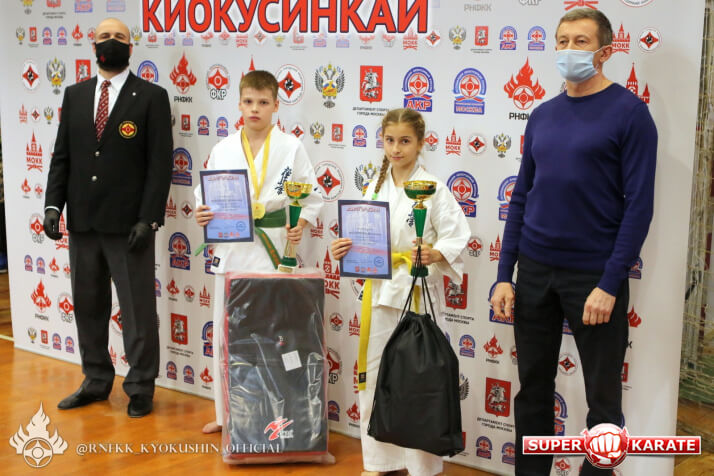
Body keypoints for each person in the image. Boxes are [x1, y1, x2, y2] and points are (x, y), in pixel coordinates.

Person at [489, 8, 657, 475]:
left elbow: (639, 206)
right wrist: (504, 275)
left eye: (580, 41)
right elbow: (522, 197)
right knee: (533, 391)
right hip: (534, 272)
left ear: (605, 52)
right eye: (562, 41)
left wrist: (609, 282)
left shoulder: (631, 113)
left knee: (603, 400)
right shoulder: (543, 114)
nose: (568, 50)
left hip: (593, 277)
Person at [43, 18, 173, 418]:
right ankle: (96, 380)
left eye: (119, 37)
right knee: (88, 307)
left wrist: (148, 219)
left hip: (130, 226)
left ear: (131, 48)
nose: (111, 42)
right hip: (83, 223)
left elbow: (160, 165)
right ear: (93, 45)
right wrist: (53, 206)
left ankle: (140, 386)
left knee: (137, 312)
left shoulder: (151, 96)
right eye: (104, 37)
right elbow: (62, 156)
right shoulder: (76, 94)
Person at [331, 108, 470, 476]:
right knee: (376, 376)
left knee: (418, 381)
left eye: (405, 141)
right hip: (379, 293)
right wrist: (343, 248)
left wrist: (435, 253)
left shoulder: (433, 188)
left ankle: (423, 467)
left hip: (416, 293)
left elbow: (458, 236)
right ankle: (380, 461)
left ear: (420, 143)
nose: (396, 148)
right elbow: (363, 238)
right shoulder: (374, 186)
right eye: (389, 140)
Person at [195, 70, 323, 434]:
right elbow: (206, 194)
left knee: (276, 336)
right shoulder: (223, 148)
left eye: (263, 102)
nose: (255, 109)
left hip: (274, 251)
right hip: (233, 249)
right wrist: (203, 212)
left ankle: (280, 418)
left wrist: (302, 222)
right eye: (249, 101)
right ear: (239, 104)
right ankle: (227, 417)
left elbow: (311, 196)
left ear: (276, 106)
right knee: (228, 335)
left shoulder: (291, 147)